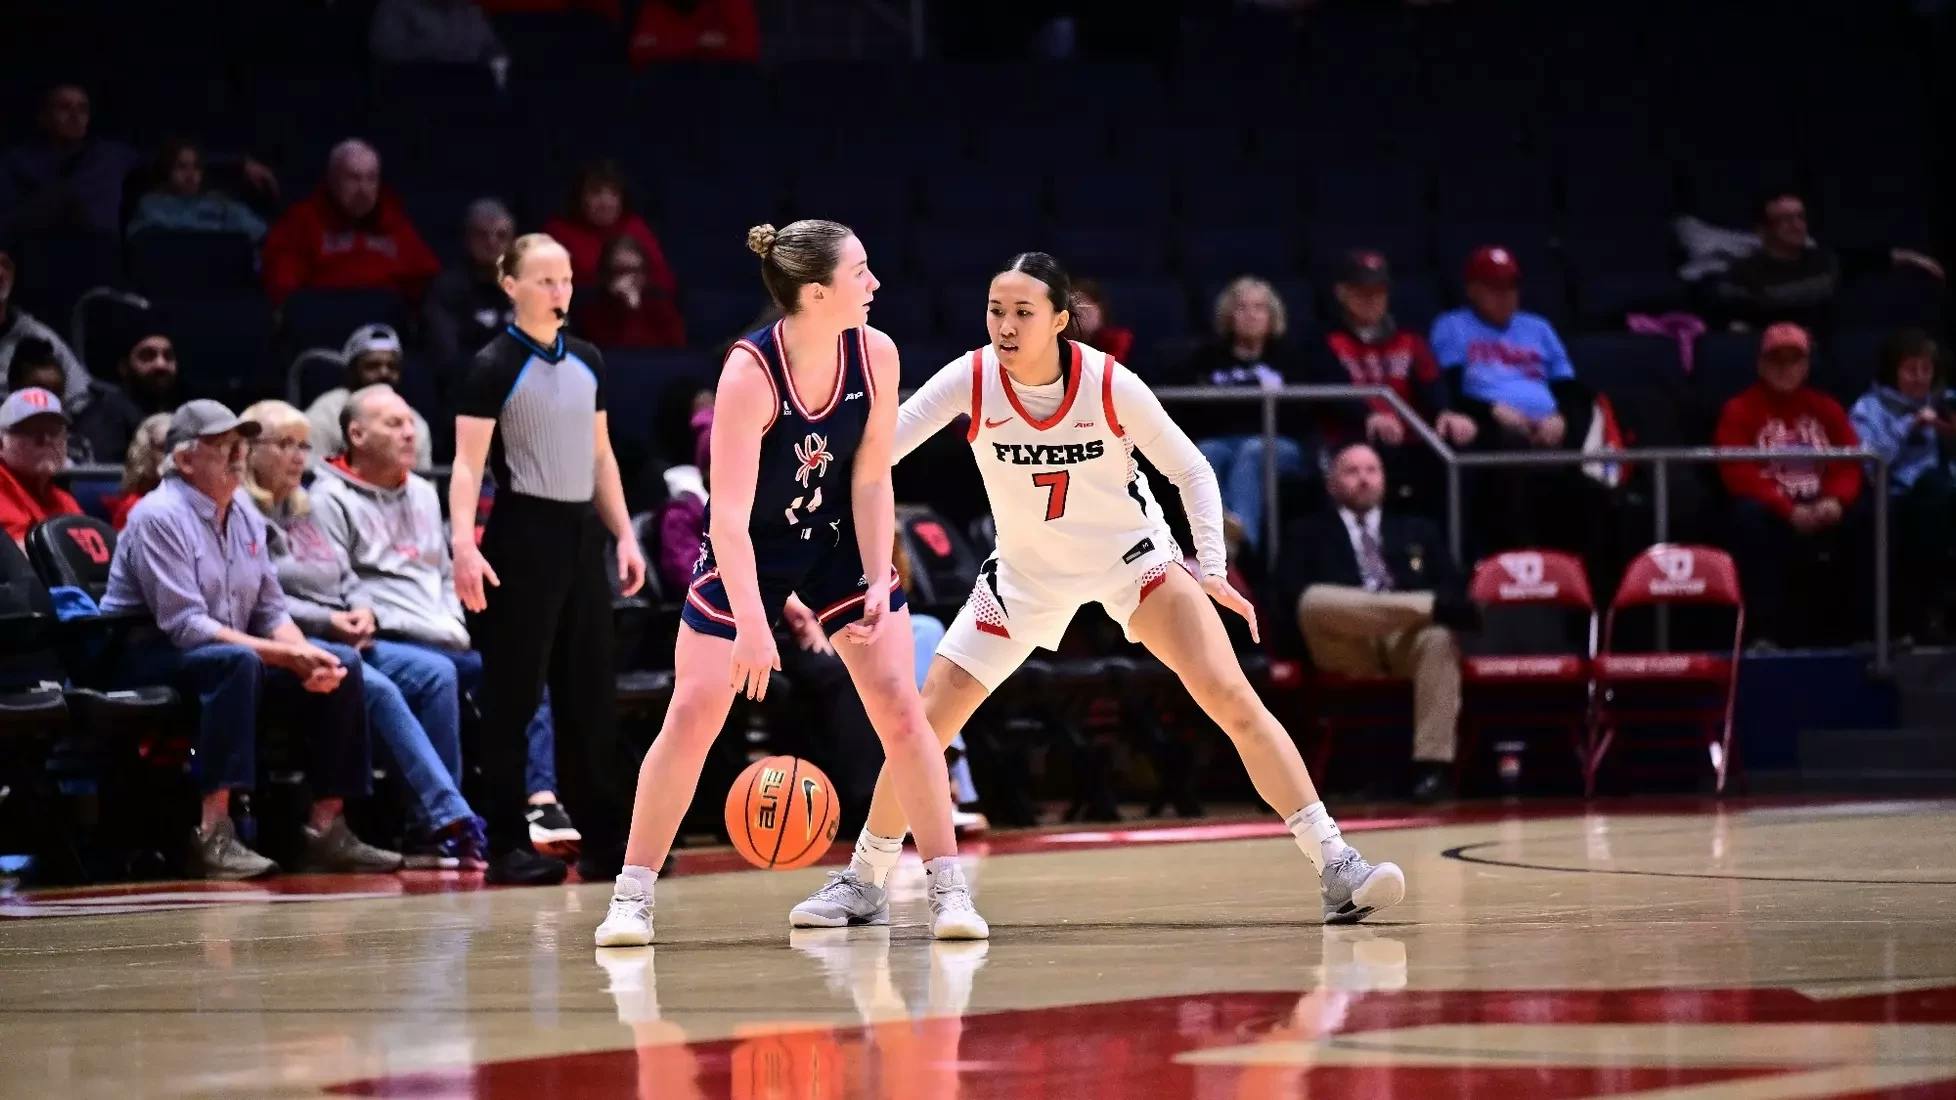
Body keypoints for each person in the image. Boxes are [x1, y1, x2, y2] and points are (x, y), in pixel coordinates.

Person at [787, 252, 1404, 933]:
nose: (1006, 325)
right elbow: (878, 453)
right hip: (1025, 576)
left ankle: (1337, 865)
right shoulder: (974, 377)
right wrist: (809, 476)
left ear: (1060, 319)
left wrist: (1213, 570)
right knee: (923, 726)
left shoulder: (1108, 382)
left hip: (1131, 561)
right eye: (996, 310)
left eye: (1024, 312)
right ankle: (866, 879)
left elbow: (1193, 472)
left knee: (1231, 696)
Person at [597, 220, 987, 947]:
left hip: (838, 540)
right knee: (693, 715)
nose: (875, 284)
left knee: (904, 710)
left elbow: (872, 477)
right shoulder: (749, 371)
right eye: (861, 272)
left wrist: (879, 575)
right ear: (816, 292)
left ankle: (947, 890)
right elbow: (732, 521)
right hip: (753, 547)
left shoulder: (877, 353)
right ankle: (631, 897)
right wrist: (751, 621)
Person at [99, 400, 401, 879]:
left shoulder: (241, 510)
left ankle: (327, 830)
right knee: (233, 665)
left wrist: (305, 654)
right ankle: (213, 834)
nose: (239, 456)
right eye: (224, 447)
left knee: (341, 664)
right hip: (145, 652)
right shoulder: (158, 515)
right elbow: (186, 627)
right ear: (184, 460)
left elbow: (270, 608)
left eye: (242, 444)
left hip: (227, 646)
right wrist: (284, 653)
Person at [450, 233, 646, 885]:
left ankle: (605, 841)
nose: (559, 291)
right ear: (509, 284)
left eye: (565, 280)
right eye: (543, 280)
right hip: (521, 534)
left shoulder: (588, 358)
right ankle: (505, 844)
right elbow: (466, 465)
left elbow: (601, 456)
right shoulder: (492, 366)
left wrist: (624, 534)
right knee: (513, 695)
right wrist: (462, 547)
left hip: (580, 534)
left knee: (589, 692)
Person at [314, 383, 580, 856]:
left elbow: (440, 572)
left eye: (410, 421)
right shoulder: (329, 498)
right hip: (382, 640)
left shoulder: (421, 490)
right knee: (434, 675)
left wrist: (451, 622)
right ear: (356, 434)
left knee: (523, 668)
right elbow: (334, 583)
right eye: (393, 423)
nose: (409, 431)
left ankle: (540, 802)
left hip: (442, 635)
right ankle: (437, 825)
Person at [241, 400, 488, 868]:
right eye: (284, 445)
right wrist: (327, 620)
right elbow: (259, 599)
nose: (298, 457)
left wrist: (360, 607)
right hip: (287, 637)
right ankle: (449, 817)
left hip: (344, 631)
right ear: (250, 451)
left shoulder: (302, 508)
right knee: (374, 684)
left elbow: (345, 574)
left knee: (436, 673)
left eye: (303, 446)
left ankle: (428, 828)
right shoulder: (243, 515)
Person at [1283, 444, 1473, 802]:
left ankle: (1432, 769)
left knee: (1438, 639)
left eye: (1371, 470)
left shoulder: (1418, 529)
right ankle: (1422, 606)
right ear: (1331, 482)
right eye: (1351, 471)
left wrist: (1399, 614)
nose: (1363, 479)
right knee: (1313, 601)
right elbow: (1291, 598)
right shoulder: (1306, 532)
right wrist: (1425, 606)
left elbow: (1452, 584)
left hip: (1404, 642)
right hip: (1344, 644)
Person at [1715, 322, 1864, 646]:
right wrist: (1788, 510)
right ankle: (1764, 635)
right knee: (1746, 518)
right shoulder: (1739, 409)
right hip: (1773, 510)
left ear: (1806, 366)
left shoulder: (1826, 408)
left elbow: (1850, 462)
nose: (1785, 368)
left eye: (1794, 360)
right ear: (1760, 365)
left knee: (1875, 513)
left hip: (1823, 504)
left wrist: (1835, 501)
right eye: (1776, 360)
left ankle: (1868, 632)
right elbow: (1737, 472)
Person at [1178, 276, 1312, 549]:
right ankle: (1218, 536)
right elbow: (1192, 411)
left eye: (1259, 308)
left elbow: (1301, 413)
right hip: (1223, 441)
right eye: (1242, 308)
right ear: (1229, 315)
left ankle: (1241, 543)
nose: (1251, 315)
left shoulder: (1289, 358)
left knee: (1251, 452)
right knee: (1207, 452)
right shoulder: (1207, 358)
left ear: (1272, 316)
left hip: (1279, 443)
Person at [1849, 329, 1956, 640]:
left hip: (1945, 494)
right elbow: (1867, 463)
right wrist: (1908, 425)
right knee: (1934, 490)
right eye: (1911, 369)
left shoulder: (1947, 403)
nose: (1920, 378)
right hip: (1895, 499)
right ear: (1892, 371)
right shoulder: (1868, 408)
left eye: (1926, 369)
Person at [261, 139, 440, 306]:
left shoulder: (394, 222)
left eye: (371, 179)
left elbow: (427, 280)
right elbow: (282, 287)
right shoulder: (301, 222)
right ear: (333, 180)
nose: (363, 189)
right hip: (324, 323)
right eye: (354, 178)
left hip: (384, 327)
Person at [305, 323, 433, 469]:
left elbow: (425, 482)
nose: (384, 373)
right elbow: (308, 474)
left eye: (392, 367)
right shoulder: (326, 412)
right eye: (373, 366)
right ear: (352, 371)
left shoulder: (415, 422)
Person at [541, 160, 681, 290]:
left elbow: (666, 280)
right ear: (580, 198)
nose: (606, 203)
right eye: (595, 193)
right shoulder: (558, 232)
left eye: (614, 194)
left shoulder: (634, 226)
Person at [423, 198, 517, 379]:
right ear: (467, 239)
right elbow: (446, 359)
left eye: (501, 236)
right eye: (482, 235)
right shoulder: (447, 290)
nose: (492, 243)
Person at [126, 138, 268, 242]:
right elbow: (138, 244)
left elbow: (262, 233)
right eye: (182, 167)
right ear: (167, 171)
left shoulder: (221, 205)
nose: (191, 175)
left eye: (196, 167)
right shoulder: (151, 205)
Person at [0, 387, 82, 548]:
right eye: (30, 430)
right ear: (1, 443)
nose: (46, 439)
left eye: (54, 430)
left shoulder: (66, 501)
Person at [574, 233, 686, 347]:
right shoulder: (593, 309)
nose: (629, 278)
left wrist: (635, 308)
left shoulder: (660, 304)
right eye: (621, 270)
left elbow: (675, 346)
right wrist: (626, 308)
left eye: (636, 270)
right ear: (607, 273)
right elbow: (615, 349)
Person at [104, 412, 172, 529]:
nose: (172, 455)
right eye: (163, 448)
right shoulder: (134, 507)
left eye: (177, 446)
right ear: (145, 452)